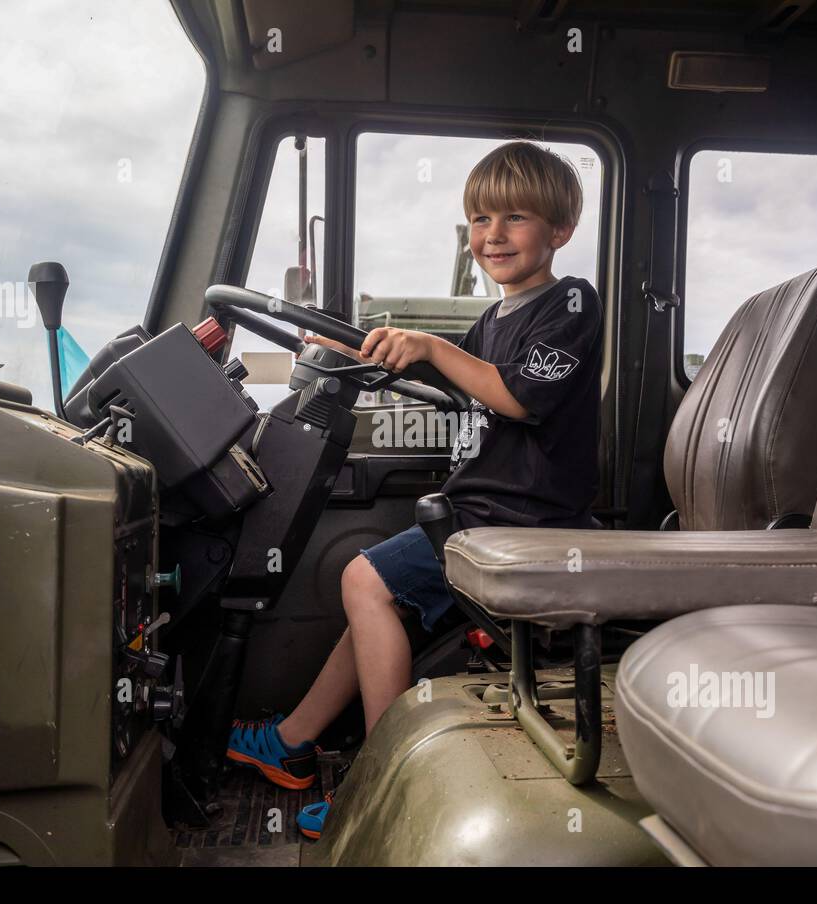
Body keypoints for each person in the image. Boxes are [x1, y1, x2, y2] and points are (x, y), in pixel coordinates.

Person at [226, 140, 603, 840]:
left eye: (514, 219)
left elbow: (519, 398)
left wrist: (431, 346)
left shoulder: (570, 302)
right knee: (373, 597)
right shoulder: (495, 320)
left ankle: (383, 784)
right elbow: (449, 382)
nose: (493, 235)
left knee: (364, 582)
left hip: (525, 516)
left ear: (560, 232)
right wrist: (357, 351)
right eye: (481, 220)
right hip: (481, 508)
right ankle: (294, 741)